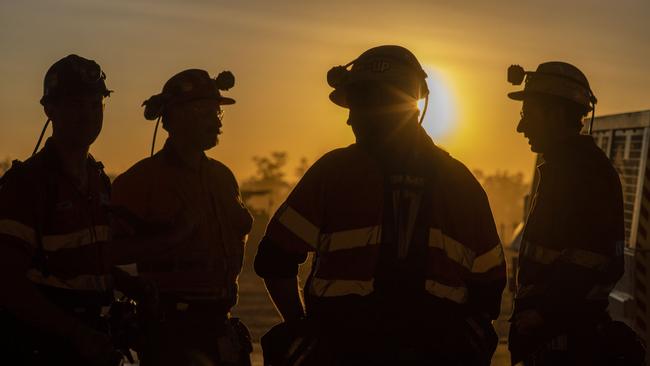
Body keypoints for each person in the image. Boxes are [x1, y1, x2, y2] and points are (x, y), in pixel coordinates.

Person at [254, 45, 507, 365]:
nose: (349, 119)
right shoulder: (461, 184)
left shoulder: (334, 173)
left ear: (387, 105)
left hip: (343, 351)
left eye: (358, 104)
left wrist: (301, 329)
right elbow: (489, 288)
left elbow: (275, 259)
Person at [0, 54, 190, 365]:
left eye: (95, 104)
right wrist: (75, 333)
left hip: (89, 341)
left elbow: (80, 261)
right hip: (37, 347)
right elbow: (7, 283)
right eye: (75, 104)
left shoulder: (98, 180)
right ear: (49, 109)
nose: (87, 115)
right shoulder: (27, 184)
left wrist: (129, 285)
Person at [111, 68, 253, 366]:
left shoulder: (223, 178)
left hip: (221, 325)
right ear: (171, 119)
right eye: (203, 111)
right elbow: (100, 255)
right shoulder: (140, 181)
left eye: (217, 112)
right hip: (171, 331)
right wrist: (168, 241)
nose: (215, 121)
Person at [507, 62, 641, 365]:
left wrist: (542, 315)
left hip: (566, 345)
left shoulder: (584, 175)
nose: (521, 126)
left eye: (527, 114)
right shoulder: (565, 170)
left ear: (555, 115)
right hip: (554, 340)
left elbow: (595, 260)